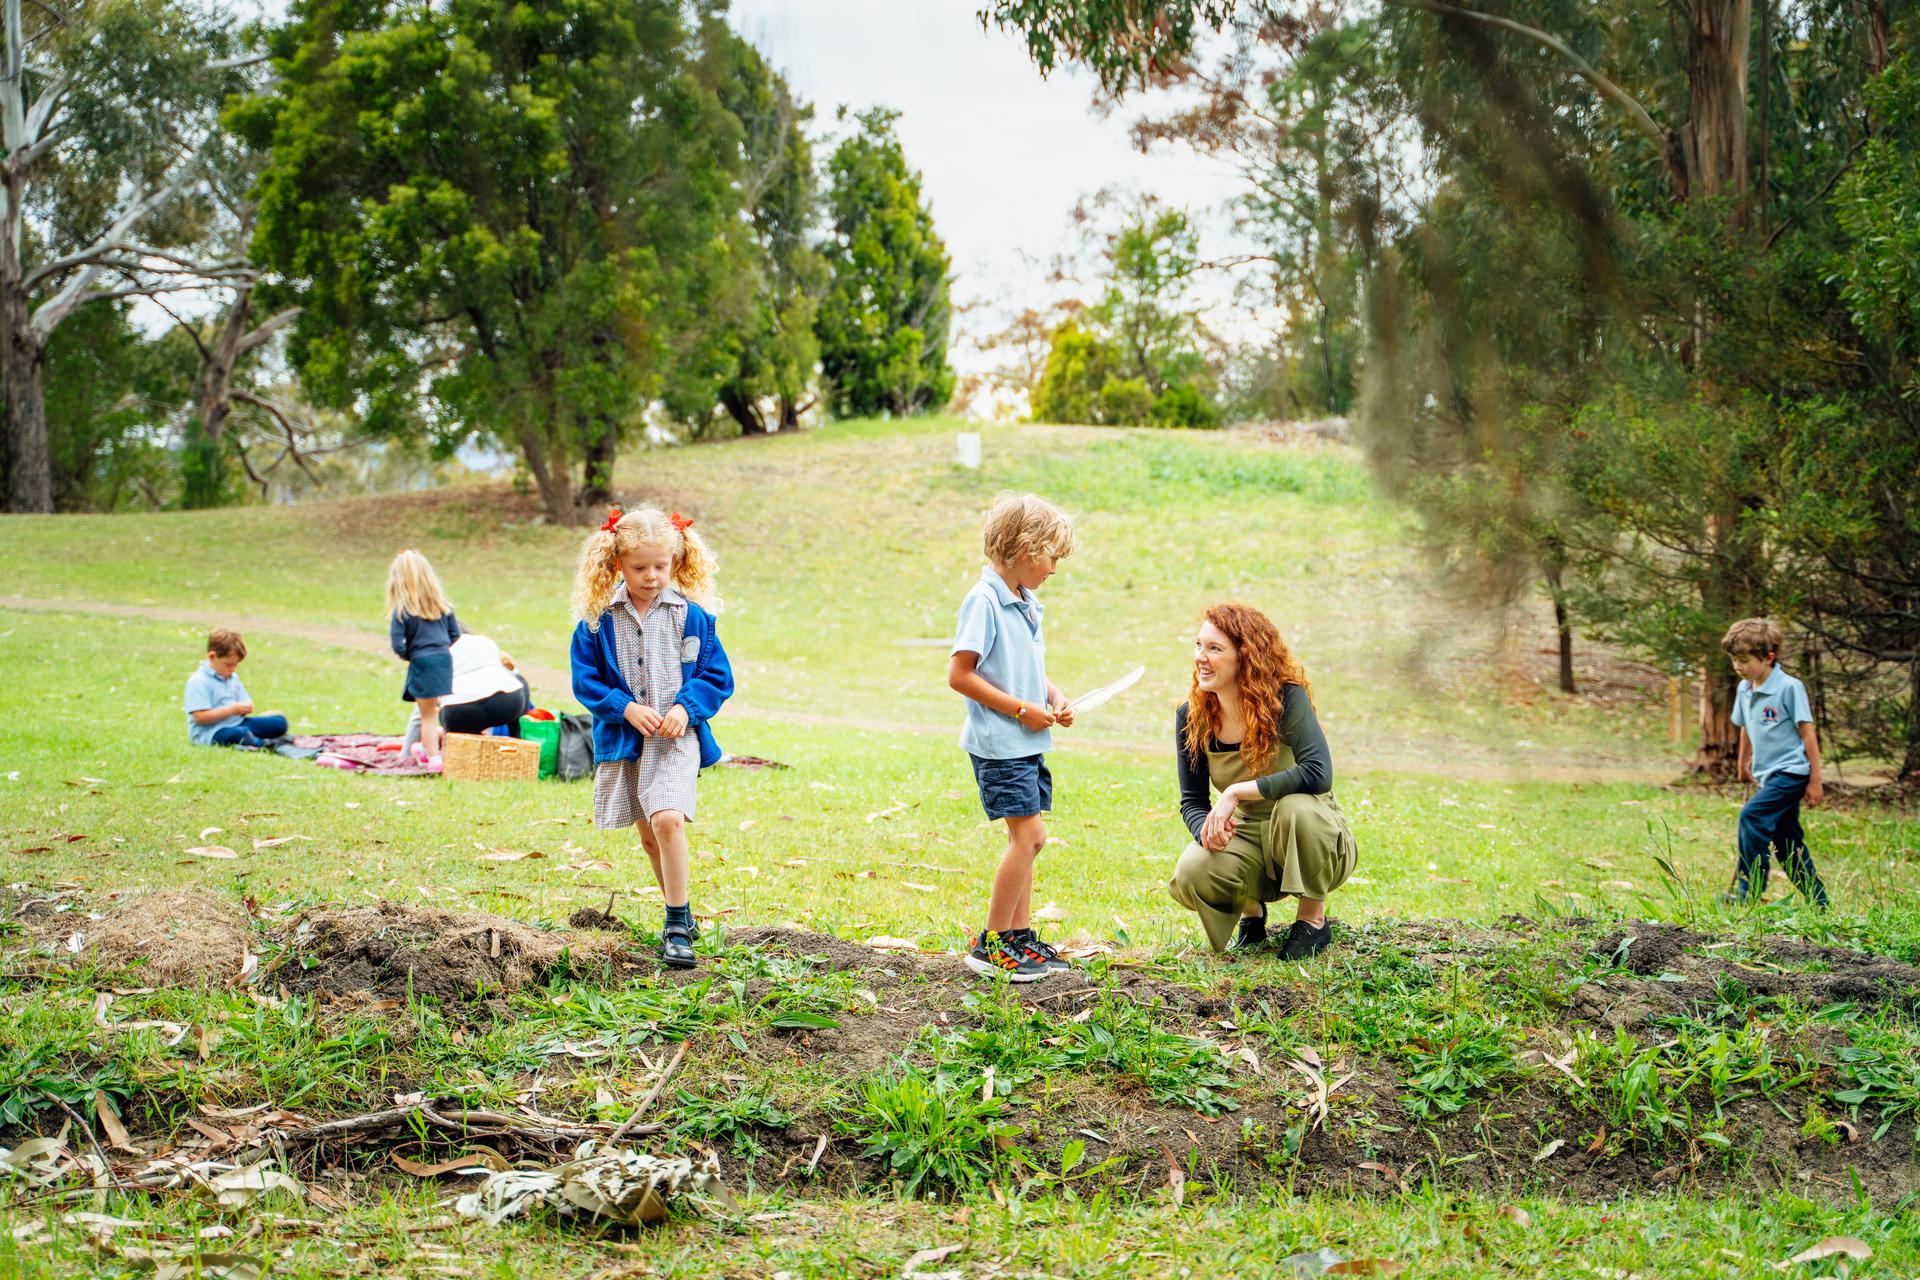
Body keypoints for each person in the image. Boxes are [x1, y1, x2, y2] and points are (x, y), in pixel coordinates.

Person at [570, 506, 733, 970]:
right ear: (617, 563)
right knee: (649, 839)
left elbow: (717, 676)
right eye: (640, 567)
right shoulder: (597, 621)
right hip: (629, 742)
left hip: (677, 741)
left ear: (676, 562)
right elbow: (586, 683)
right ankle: (681, 912)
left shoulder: (694, 617)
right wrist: (625, 707)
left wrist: (686, 707)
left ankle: (676, 924)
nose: (651, 576)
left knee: (668, 822)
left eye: (661, 566)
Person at [1168, 604, 1357, 960]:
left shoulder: (1286, 698)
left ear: (1246, 655)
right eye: (1198, 645)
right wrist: (1208, 830)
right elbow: (1192, 800)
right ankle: (1251, 915)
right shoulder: (1191, 717)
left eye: (1214, 648)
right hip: (1249, 834)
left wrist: (1237, 792)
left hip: (1311, 828)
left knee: (1295, 807)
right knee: (1193, 869)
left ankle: (1312, 921)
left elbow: (1318, 772)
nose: (1200, 658)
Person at [947, 493, 1077, 983]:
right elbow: (961, 676)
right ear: (1025, 549)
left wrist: (1054, 697)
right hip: (1001, 743)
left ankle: (1019, 938)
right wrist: (1022, 711)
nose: (1054, 569)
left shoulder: (1023, 601)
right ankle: (992, 943)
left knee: (1029, 840)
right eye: (1051, 557)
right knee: (1030, 837)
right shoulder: (982, 601)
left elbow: (1025, 669)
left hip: (1026, 743)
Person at [1722, 618, 1829, 907]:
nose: (1738, 667)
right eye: (1734, 660)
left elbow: (1808, 734)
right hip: (1767, 775)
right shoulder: (1745, 689)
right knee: (1787, 843)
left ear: (1768, 657)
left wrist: (1815, 781)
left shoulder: (1789, 688)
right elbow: (1745, 726)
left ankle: (1749, 890)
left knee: (1752, 817)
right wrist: (1743, 764)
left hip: (1792, 772)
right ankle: (1820, 902)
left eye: (1744, 660)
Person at [386, 549, 461, 772]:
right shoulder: (443, 607)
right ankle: (424, 750)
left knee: (427, 715)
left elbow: (398, 645)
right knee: (437, 710)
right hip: (444, 661)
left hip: (423, 661)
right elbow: (454, 635)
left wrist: (412, 655)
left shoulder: (402, 612)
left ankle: (434, 759)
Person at [403, 632, 531, 752]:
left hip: (457, 714)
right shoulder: (484, 642)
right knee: (520, 682)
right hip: (505, 705)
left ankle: (456, 752)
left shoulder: (432, 654)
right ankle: (517, 743)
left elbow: (422, 711)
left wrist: (406, 752)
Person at [183, 628, 288, 748]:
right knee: (240, 733)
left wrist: (246, 707)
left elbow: (244, 700)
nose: (232, 669)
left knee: (279, 722)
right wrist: (231, 710)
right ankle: (263, 744)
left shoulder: (232, 677)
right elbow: (199, 717)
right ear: (212, 656)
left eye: (235, 665)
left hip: (237, 723)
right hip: (212, 731)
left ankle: (253, 739)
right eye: (228, 665)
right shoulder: (199, 681)